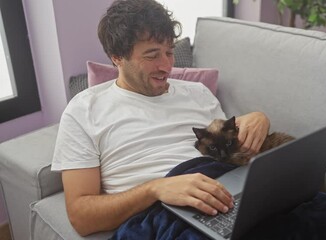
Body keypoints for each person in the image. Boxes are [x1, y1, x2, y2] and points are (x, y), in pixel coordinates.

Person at [51, 0, 270, 236]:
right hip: (162, 215)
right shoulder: (84, 110)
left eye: (169, 52)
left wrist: (258, 119)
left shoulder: (198, 93)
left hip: (223, 193)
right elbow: (81, 216)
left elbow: (228, 155)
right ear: (117, 57)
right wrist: (155, 189)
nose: (166, 66)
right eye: (152, 55)